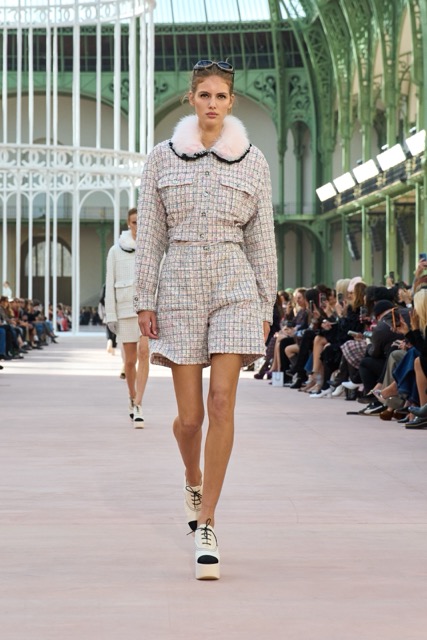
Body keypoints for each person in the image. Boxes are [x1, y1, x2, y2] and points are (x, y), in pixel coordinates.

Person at [134, 59, 277, 580]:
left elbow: (263, 237)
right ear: (190, 99)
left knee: (221, 402)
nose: (212, 103)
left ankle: (208, 523)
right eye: (204, 95)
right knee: (190, 418)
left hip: (235, 284)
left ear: (231, 102)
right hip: (179, 286)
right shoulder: (161, 159)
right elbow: (151, 234)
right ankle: (192, 478)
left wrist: (265, 304)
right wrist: (144, 298)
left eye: (220, 96)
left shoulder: (253, 161)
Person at [105, 208, 150, 427]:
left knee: (144, 353)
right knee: (130, 361)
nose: (138, 226)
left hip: (146, 310)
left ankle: (139, 403)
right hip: (124, 311)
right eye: (134, 222)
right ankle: (132, 397)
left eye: (141, 222)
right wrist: (110, 315)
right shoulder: (115, 251)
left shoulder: (151, 249)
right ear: (128, 223)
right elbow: (109, 283)